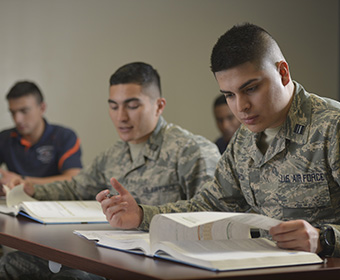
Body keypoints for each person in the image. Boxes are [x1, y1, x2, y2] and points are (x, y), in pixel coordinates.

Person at [97, 23, 340, 258]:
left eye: (251, 89)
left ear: (283, 73)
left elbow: (325, 240)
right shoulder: (244, 138)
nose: (241, 107)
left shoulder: (332, 127)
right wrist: (140, 215)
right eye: (229, 95)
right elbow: (208, 206)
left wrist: (325, 239)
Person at [0, 62, 220, 279]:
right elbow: (76, 187)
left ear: (159, 106)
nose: (121, 117)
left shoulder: (193, 151)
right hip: (111, 255)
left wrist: (143, 216)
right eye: (114, 106)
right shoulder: (114, 153)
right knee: (10, 265)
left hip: (161, 265)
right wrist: (32, 190)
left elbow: (211, 216)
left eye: (132, 106)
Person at [0, 81, 82, 188]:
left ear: (42, 108)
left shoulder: (65, 136)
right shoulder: (4, 138)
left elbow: (73, 179)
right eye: (13, 112)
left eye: (24, 111)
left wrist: (23, 181)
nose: (17, 119)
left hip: (55, 202)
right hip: (15, 202)